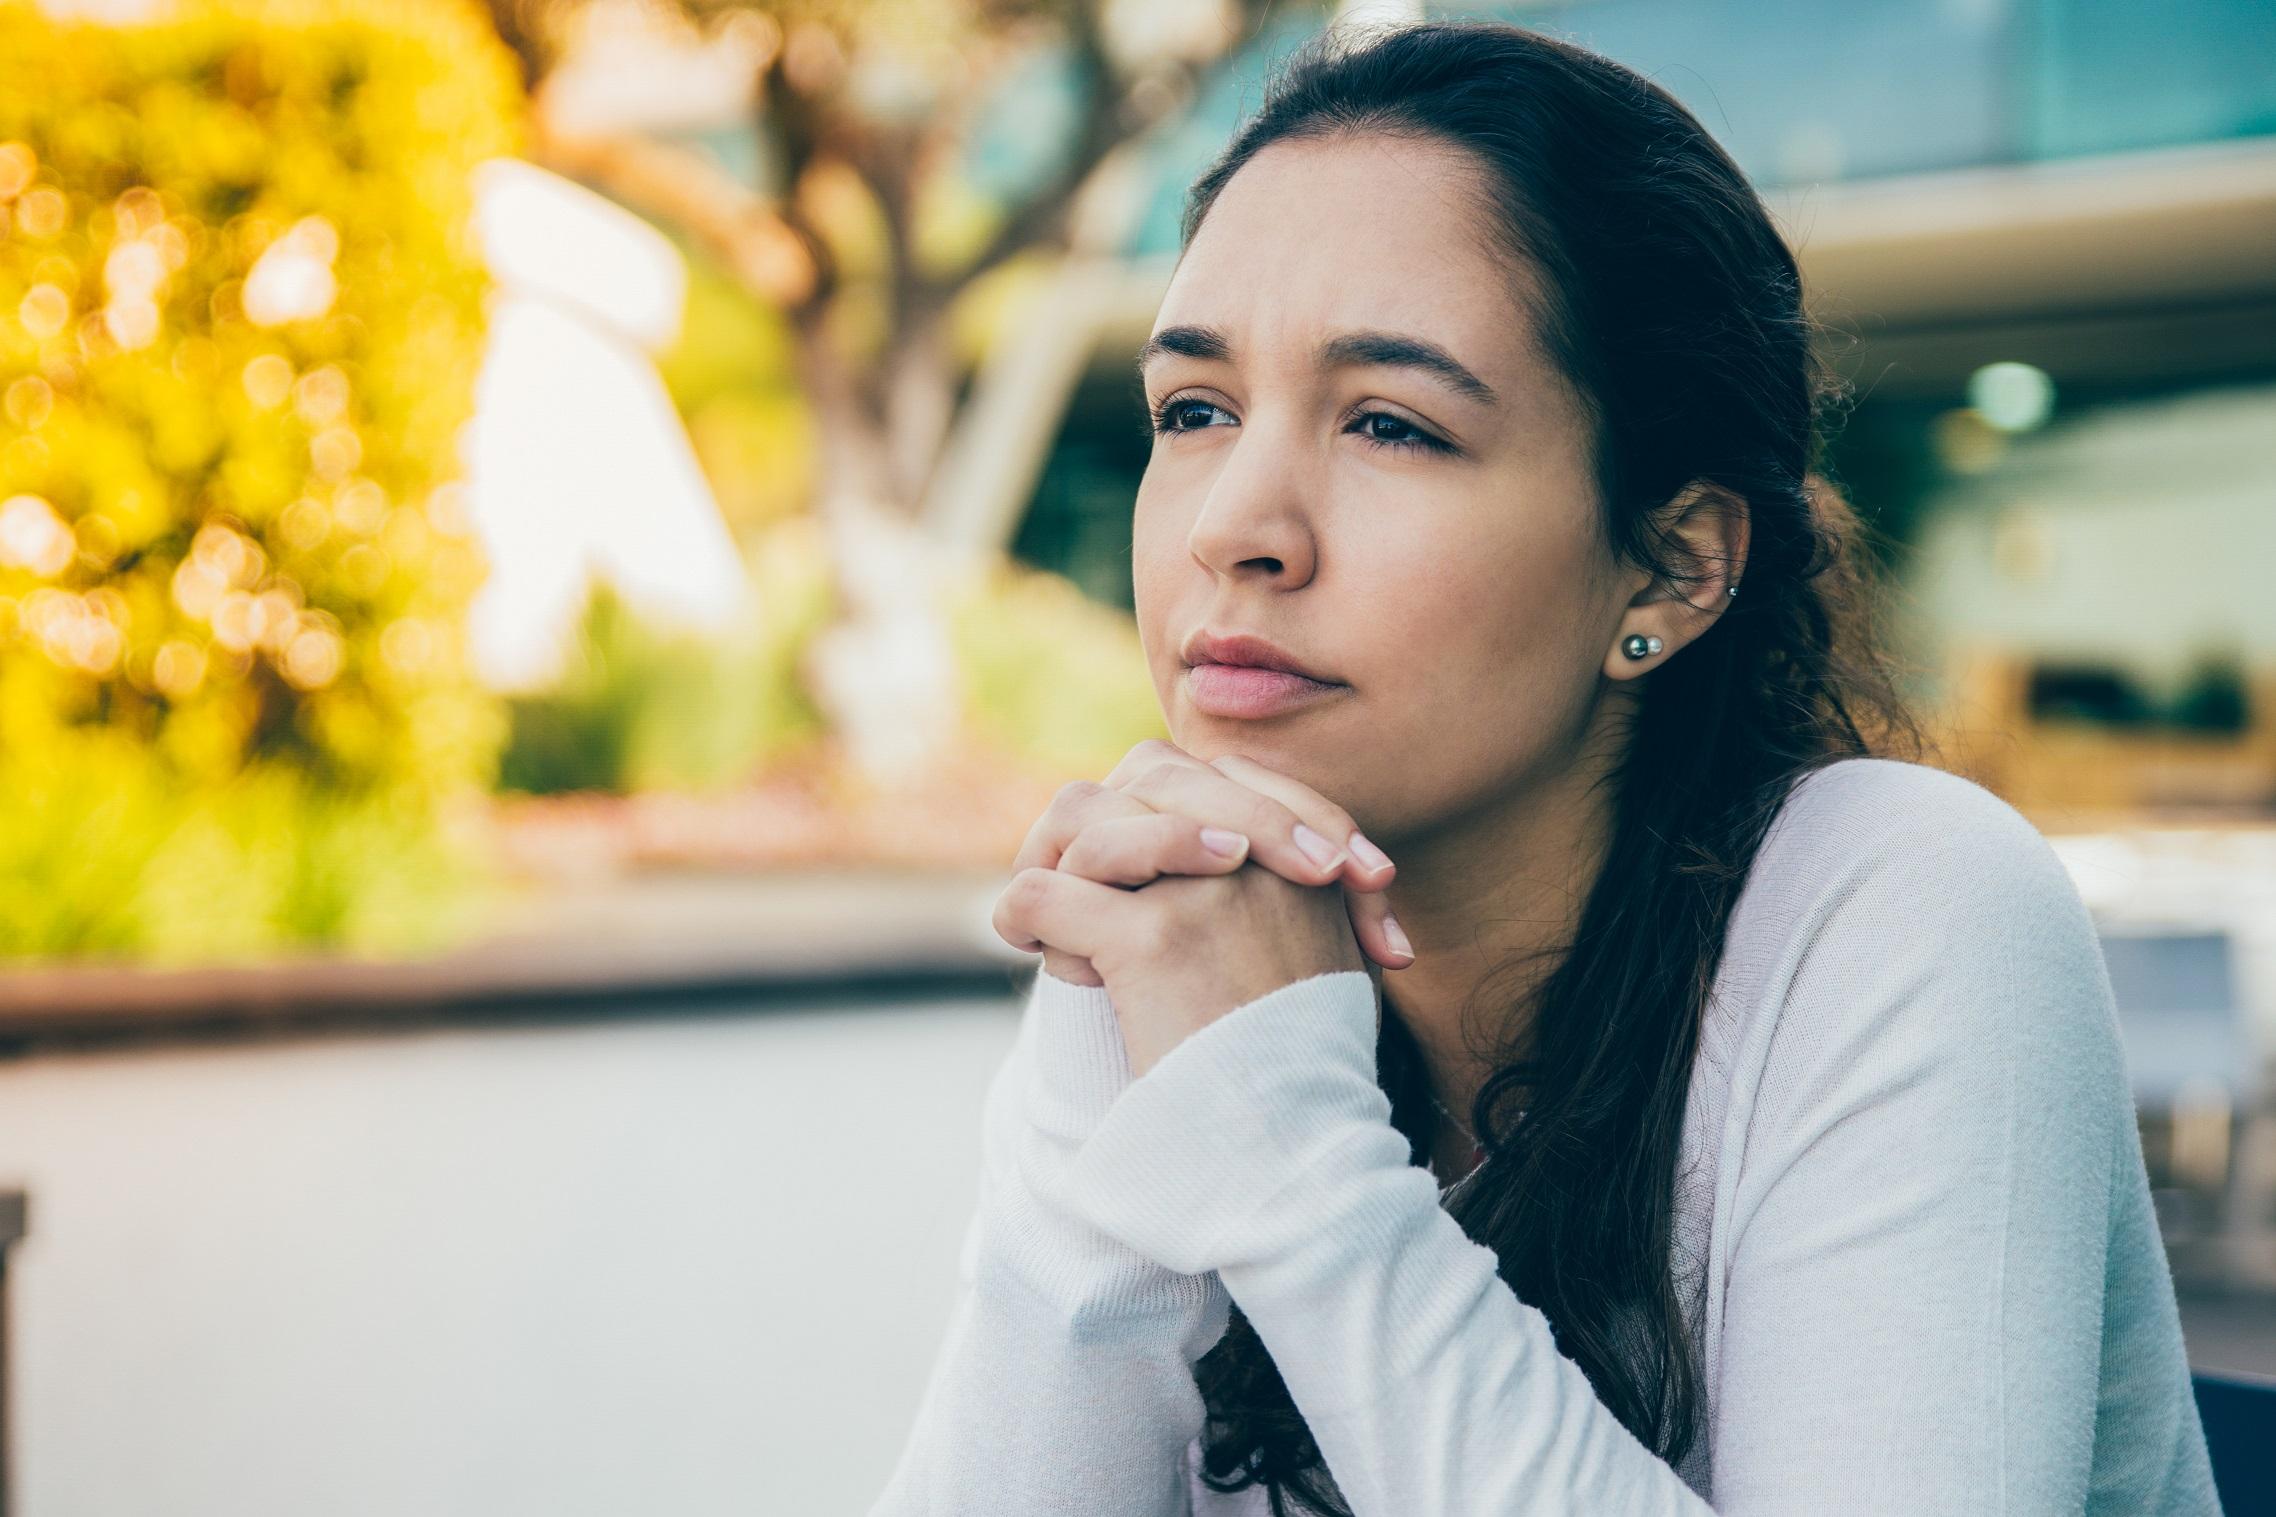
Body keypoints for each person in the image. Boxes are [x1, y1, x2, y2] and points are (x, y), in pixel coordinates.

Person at [870, 18, 2221, 1516]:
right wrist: (1108, 1065)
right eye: (1195, 409)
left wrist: (1289, 1157)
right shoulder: (1183, 933)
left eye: (1390, 423)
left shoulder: (1902, 909)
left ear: (1671, 567)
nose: (1232, 525)